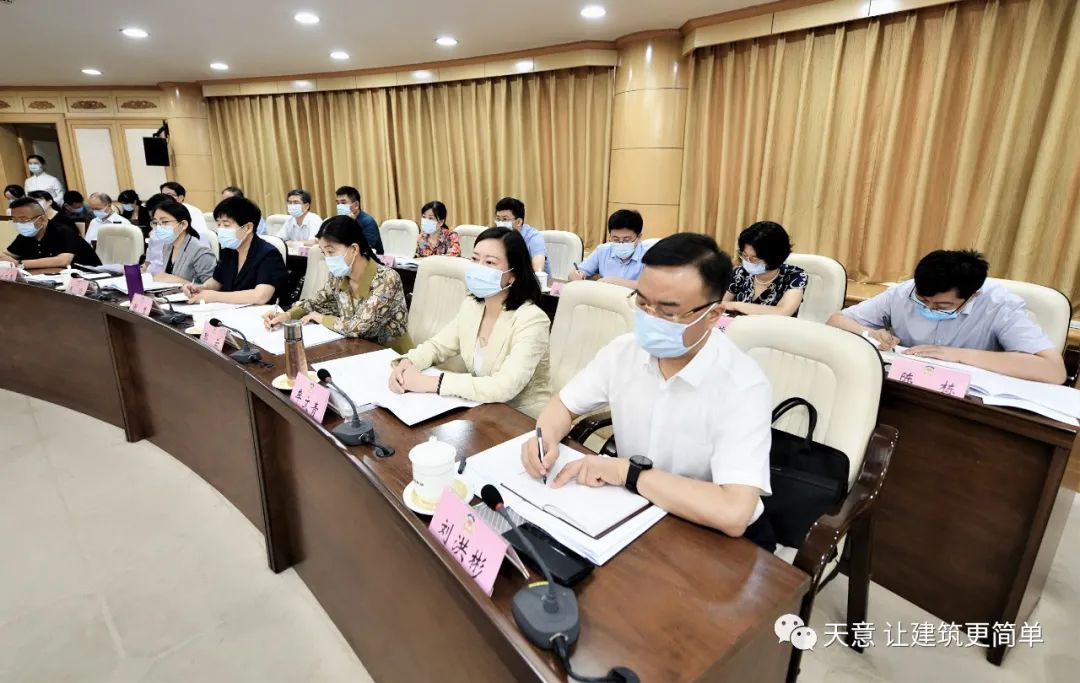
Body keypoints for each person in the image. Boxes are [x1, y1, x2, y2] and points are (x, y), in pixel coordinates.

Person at [519, 233, 776, 548]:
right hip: (635, 509)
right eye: (642, 303)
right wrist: (543, 439)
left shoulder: (743, 385)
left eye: (667, 312)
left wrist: (628, 473)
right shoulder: (624, 351)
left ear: (713, 315)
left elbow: (733, 512)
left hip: (710, 534)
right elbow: (564, 405)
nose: (650, 318)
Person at [828, 250, 1066, 384]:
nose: (930, 309)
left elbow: (1053, 370)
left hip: (965, 399)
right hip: (905, 385)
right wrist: (870, 333)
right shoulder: (903, 292)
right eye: (923, 300)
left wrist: (959, 355)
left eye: (942, 305)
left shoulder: (999, 305)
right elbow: (836, 321)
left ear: (973, 295)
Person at [390, 227, 552, 417]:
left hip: (521, 419)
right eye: (475, 259)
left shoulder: (532, 320)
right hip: (480, 410)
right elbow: (437, 346)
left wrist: (432, 383)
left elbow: (504, 387)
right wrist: (407, 363)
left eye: (490, 262)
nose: (478, 267)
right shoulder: (472, 306)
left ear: (513, 274)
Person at [262, 216, 411, 351]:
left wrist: (320, 318)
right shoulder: (339, 275)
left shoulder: (387, 279)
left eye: (331, 252)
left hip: (390, 354)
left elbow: (359, 327)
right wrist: (287, 315)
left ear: (354, 249)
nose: (328, 258)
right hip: (352, 348)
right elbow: (317, 302)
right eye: (324, 253)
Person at [181, 196, 287, 305]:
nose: (221, 229)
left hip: (263, 313)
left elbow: (260, 296)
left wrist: (213, 296)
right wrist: (200, 288)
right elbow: (216, 282)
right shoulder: (229, 251)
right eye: (219, 224)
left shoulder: (269, 254)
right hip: (231, 310)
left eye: (226, 225)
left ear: (248, 228)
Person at [722, 221, 807, 317]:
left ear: (774, 258)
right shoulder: (740, 272)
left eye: (754, 258)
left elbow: (783, 312)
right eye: (744, 255)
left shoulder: (795, 276)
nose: (747, 261)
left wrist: (735, 305)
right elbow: (722, 305)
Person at [1, 197, 101, 269]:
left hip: (87, 278)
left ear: (42, 219)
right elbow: (7, 254)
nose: (19, 224)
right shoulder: (26, 236)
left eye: (23, 219)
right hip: (50, 278)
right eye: (16, 220)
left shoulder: (62, 231)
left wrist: (19, 263)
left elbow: (63, 260)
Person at [144, 200, 216, 285]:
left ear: (183, 224)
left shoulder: (201, 251)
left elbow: (212, 288)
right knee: (138, 292)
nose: (159, 228)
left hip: (189, 294)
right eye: (156, 223)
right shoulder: (167, 245)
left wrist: (179, 281)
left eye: (165, 222)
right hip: (169, 292)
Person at [569, 209, 646, 288]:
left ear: (639, 237)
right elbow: (580, 271)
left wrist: (614, 282)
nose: (621, 243)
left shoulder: (648, 255)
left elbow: (650, 286)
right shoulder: (603, 250)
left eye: (626, 240)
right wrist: (575, 275)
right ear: (610, 236)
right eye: (615, 239)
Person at [494, 196, 549, 277]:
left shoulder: (534, 237)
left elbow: (537, 269)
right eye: (498, 219)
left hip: (534, 281)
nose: (500, 223)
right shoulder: (498, 235)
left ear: (519, 222)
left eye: (505, 219)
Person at [335, 185, 383, 254]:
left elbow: (367, 248)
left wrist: (353, 224)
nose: (339, 206)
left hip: (372, 257)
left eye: (343, 203)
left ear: (356, 205)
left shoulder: (368, 221)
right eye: (337, 203)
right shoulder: (340, 220)